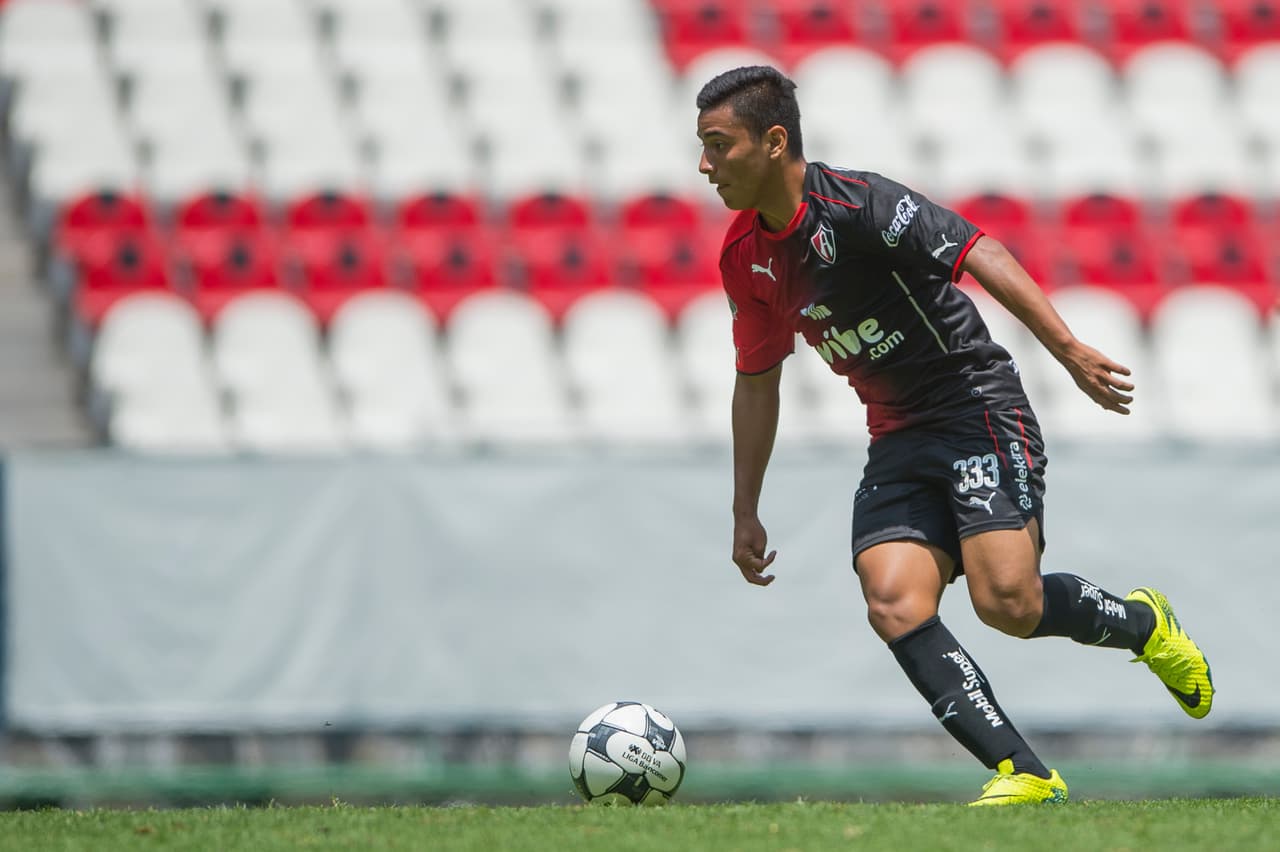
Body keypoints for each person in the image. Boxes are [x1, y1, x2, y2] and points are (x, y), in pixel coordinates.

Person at [695, 65, 1214, 806]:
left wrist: (1068, 351)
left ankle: (1144, 624)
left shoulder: (860, 205)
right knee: (893, 601)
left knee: (1009, 604)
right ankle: (1025, 773)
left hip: (975, 408)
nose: (705, 166)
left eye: (719, 145)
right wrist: (744, 507)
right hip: (896, 435)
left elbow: (980, 251)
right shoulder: (744, 257)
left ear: (774, 142)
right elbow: (756, 379)